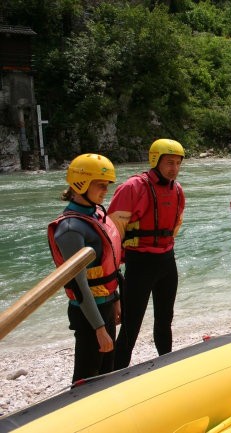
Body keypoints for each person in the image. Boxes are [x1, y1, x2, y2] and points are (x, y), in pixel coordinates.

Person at [108, 138, 186, 368]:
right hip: (139, 263)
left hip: (166, 261)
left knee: (165, 320)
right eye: (169, 162)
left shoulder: (178, 190)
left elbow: (175, 226)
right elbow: (112, 231)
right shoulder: (133, 187)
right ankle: (117, 373)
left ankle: (166, 364)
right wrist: (114, 268)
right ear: (155, 161)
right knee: (131, 324)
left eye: (178, 163)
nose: (174, 168)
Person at [47, 153, 122, 383]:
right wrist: (99, 328)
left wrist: (116, 299)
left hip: (106, 305)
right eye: (100, 185)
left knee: (107, 371)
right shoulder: (70, 229)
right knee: (86, 376)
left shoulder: (96, 215)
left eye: (107, 185)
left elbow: (108, 266)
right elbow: (79, 286)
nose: (105, 190)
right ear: (81, 184)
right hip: (89, 314)